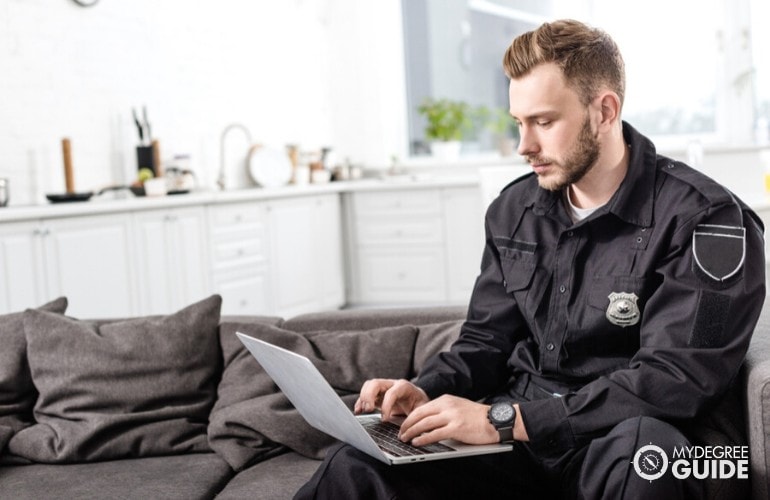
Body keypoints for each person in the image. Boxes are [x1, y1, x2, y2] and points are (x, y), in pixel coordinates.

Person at [295, 19, 766, 499]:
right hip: (521, 440)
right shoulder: (512, 210)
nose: (525, 146)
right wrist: (427, 390)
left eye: (543, 122)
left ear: (604, 111)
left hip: (625, 438)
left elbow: (675, 381)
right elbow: (485, 340)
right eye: (519, 123)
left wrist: (503, 419)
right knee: (355, 465)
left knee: (649, 460)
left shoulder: (708, 220)